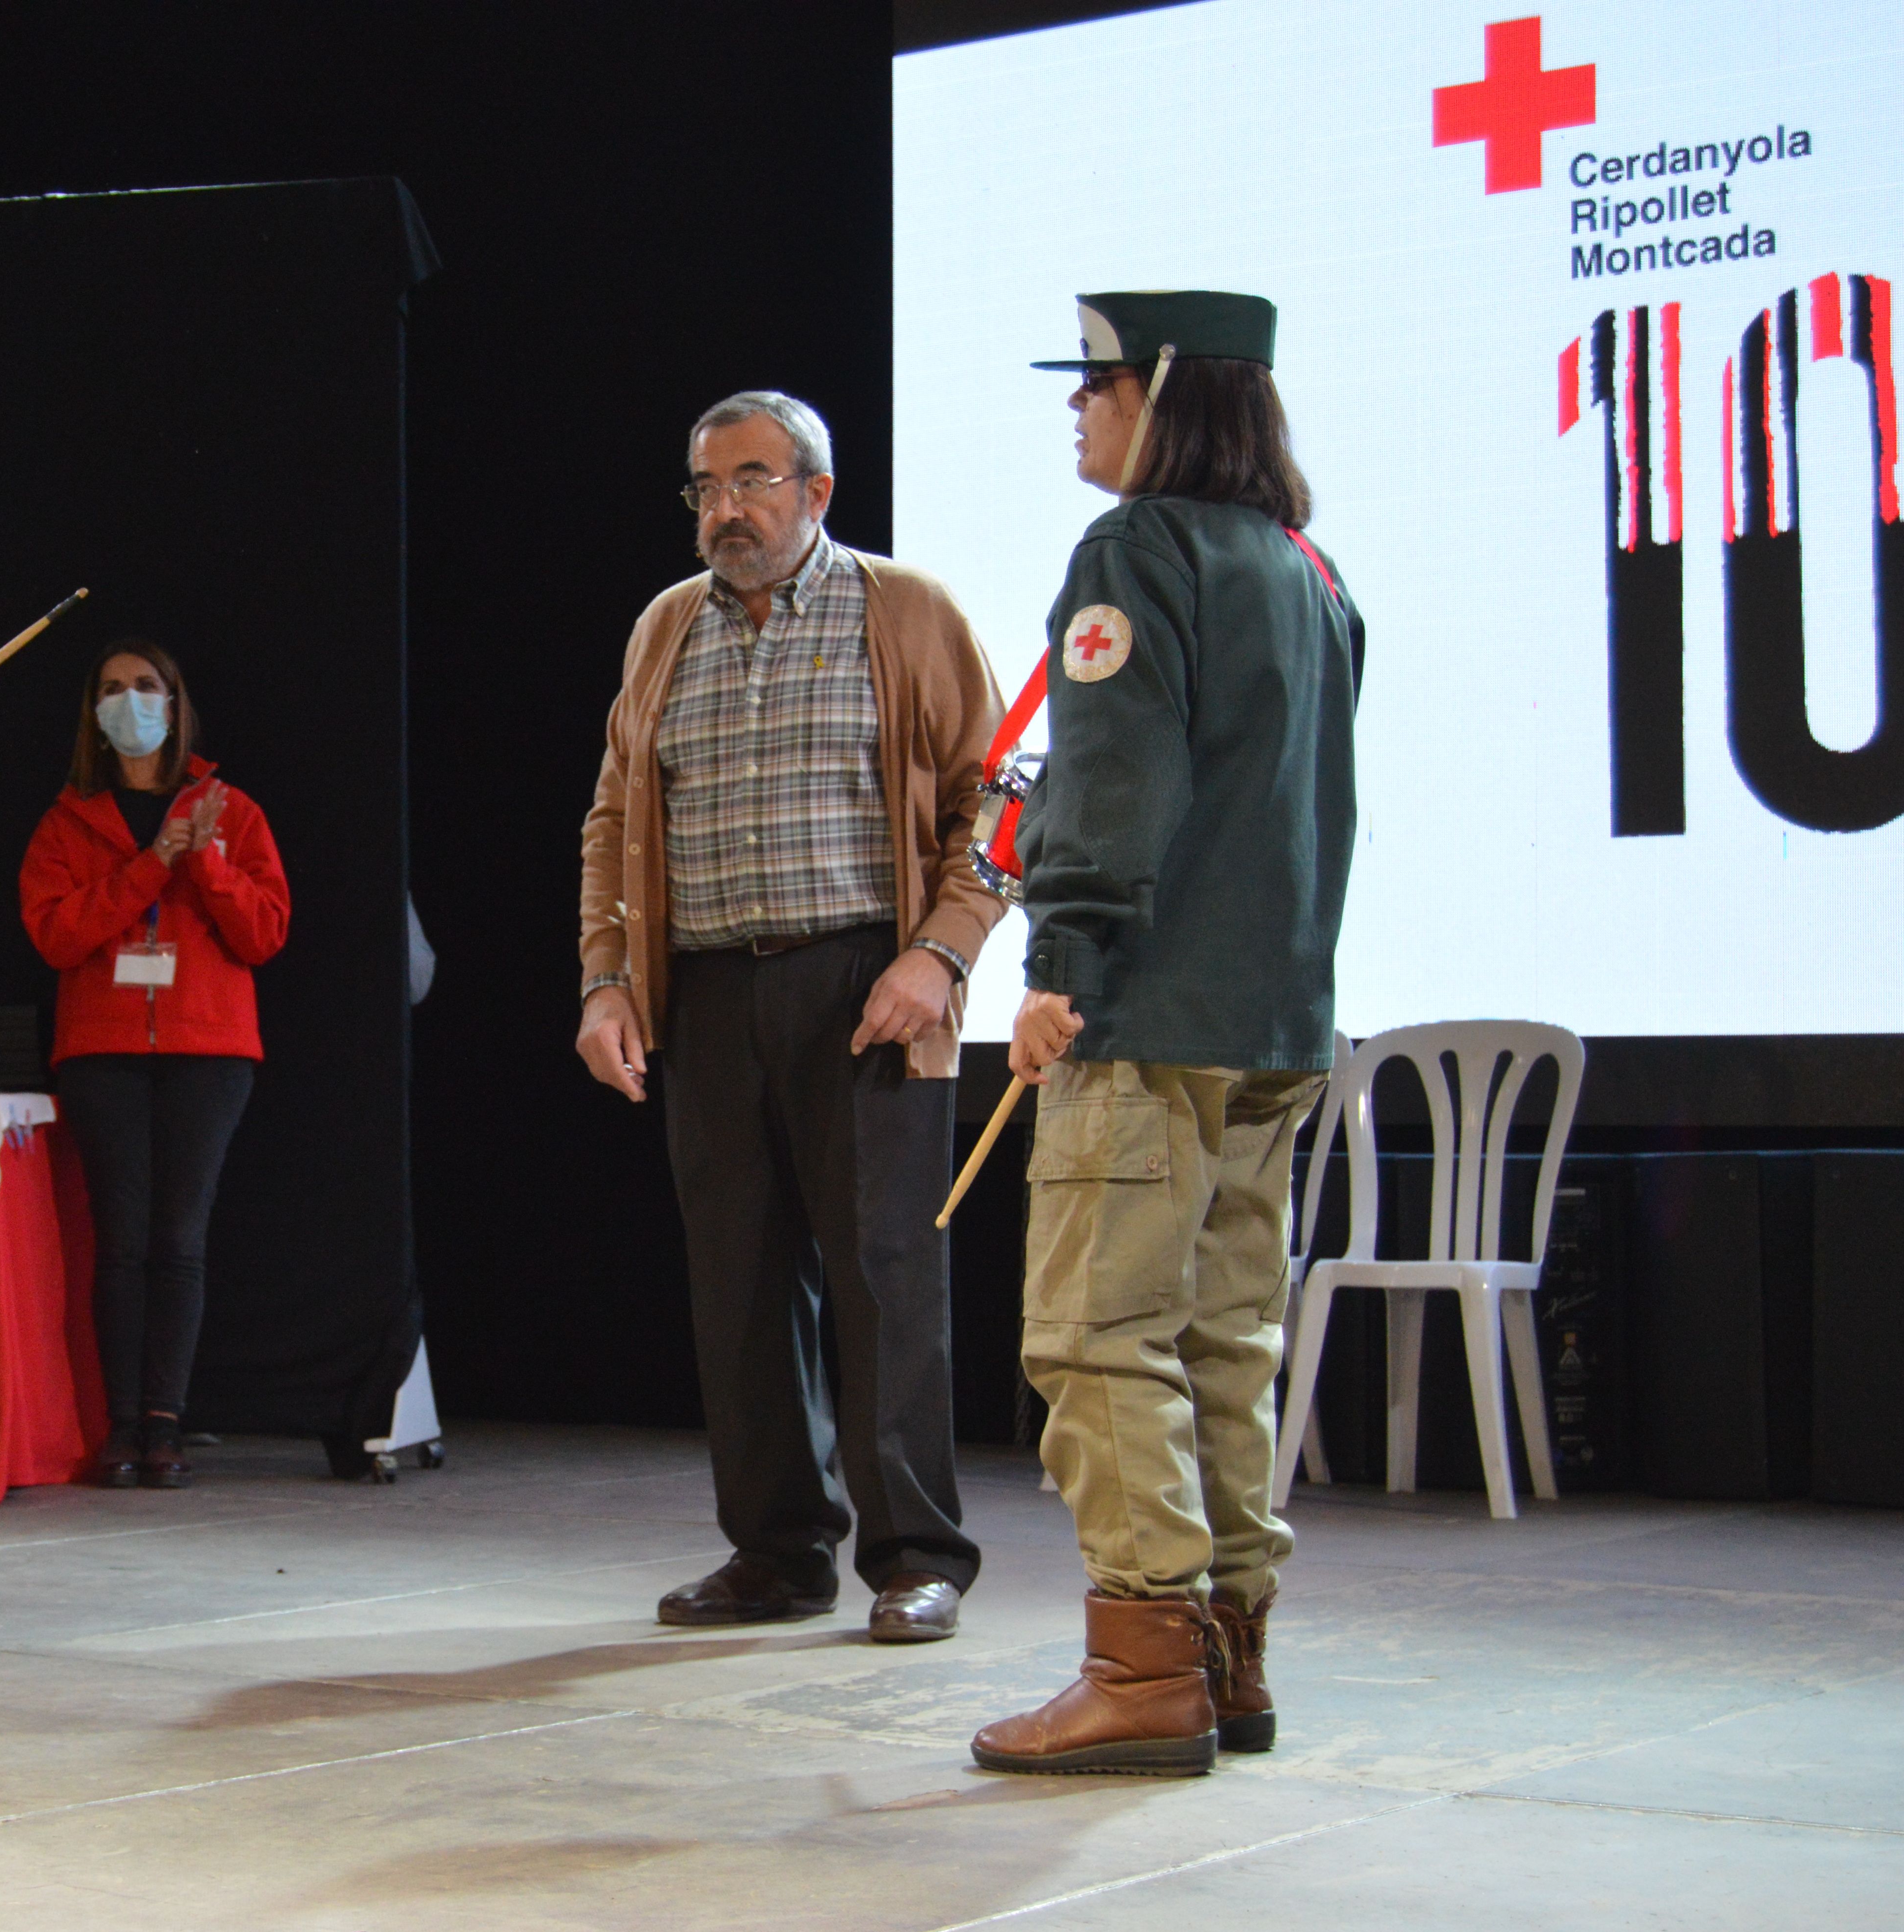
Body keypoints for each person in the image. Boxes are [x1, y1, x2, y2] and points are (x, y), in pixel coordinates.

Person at [969, 291, 1363, 1777]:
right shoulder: (1311, 572)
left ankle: (1142, 1672)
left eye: (1098, 382)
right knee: (1219, 1341)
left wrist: (1057, 958)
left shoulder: (1136, 553)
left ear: (1170, 396)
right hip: (1273, 1024)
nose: (1078, 408)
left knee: (1094, 1336)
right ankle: (1227, 1653)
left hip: (1142, 1016)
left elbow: (1110, 775)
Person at [576, 391, 1005, 1643]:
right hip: (705, 990)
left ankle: (915, 1554)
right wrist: (607, 978)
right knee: (739, 1283)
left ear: (817, 493)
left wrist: (941, 953)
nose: (726, 509)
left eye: (753, 480)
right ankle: (775, 1551)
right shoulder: (665, 628)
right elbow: (612, 820)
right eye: (706, 487)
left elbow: (999, 800)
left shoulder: (904, 610)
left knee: (882, 1275)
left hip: (865, 982)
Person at [20, 639, 289, 1489]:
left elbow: (264, 932)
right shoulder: (67, 821)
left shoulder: (230, 811)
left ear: (174, 706)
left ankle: (165, 1425)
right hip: (101, 1050)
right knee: (122, 1243)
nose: (127, 701)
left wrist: (201, 857)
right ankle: (121, 1428)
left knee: (179, 1241)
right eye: (110, 689)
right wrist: (155, 861)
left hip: (208, 1051)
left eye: (144, 687)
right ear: (92, 713)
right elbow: (57, 935)